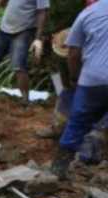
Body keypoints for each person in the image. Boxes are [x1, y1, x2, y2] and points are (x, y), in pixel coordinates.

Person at [52, 0, 108, 179]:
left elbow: (73, 53)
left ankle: (59, 169)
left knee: (77, 121)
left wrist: (75, 77)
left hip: (92, 78)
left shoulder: (87, 14)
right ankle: (99, 134)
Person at [0, 0, 49, 104]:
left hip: (23, 31)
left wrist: (37, 38)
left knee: (19, 66)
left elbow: (43, 12)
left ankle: (25, 100)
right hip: (5, 29)